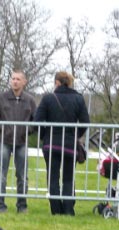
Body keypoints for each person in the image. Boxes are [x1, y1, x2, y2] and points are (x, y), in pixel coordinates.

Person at [34, 71, 90, 215]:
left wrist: (43, 137)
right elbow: (85, 122)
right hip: (70, 145)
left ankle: (56, 210)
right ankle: (68, 209)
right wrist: (75, 135)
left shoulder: (48, 98)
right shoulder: (78, 98)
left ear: (57, 83)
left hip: (51, 144)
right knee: (68, 178)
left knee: (52, 177)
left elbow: (37, 121)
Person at [0, 70, 36, 213]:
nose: (15, 81)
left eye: (18, 79)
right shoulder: (1, 98)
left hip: (22, 142)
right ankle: (0, 205)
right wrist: (3, 128)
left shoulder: (30, 100)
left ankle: (22, 205)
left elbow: (36, 120)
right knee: (1, 175)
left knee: (22, 176)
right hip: (4, 141)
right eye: (13, 78)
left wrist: (27, 130)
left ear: (24, 82)